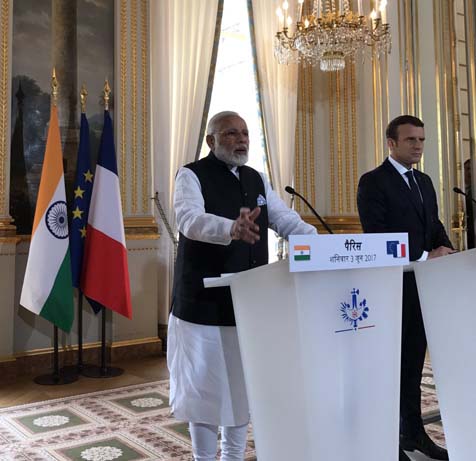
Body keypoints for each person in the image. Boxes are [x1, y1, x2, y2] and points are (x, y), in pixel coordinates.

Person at [168, 111, 317, 461]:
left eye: (245, 133)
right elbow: (189, 220)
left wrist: (325, 245)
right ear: (212, 141)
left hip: (247, 305)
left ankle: (232, 457)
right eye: (231, 133)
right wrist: (230, 229)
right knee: (204, 393)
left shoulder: (256, 178)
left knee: (239, 389)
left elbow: (285, 220)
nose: (241, 140)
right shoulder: (191, 175)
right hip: (202, 305)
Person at [357, 115, 454, 461]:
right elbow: (377, 235)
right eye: (411, 140)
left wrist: (448, 250)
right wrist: (427, 254)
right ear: (392, 143)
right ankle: (387, 442)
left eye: (422, 140)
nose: (418, 146)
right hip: (391, 289)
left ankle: (413, 433)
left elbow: (433, 224)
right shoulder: (373, 182)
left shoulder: (425, 181)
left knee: (413, 365)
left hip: (424, 288)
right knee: (391, 367)